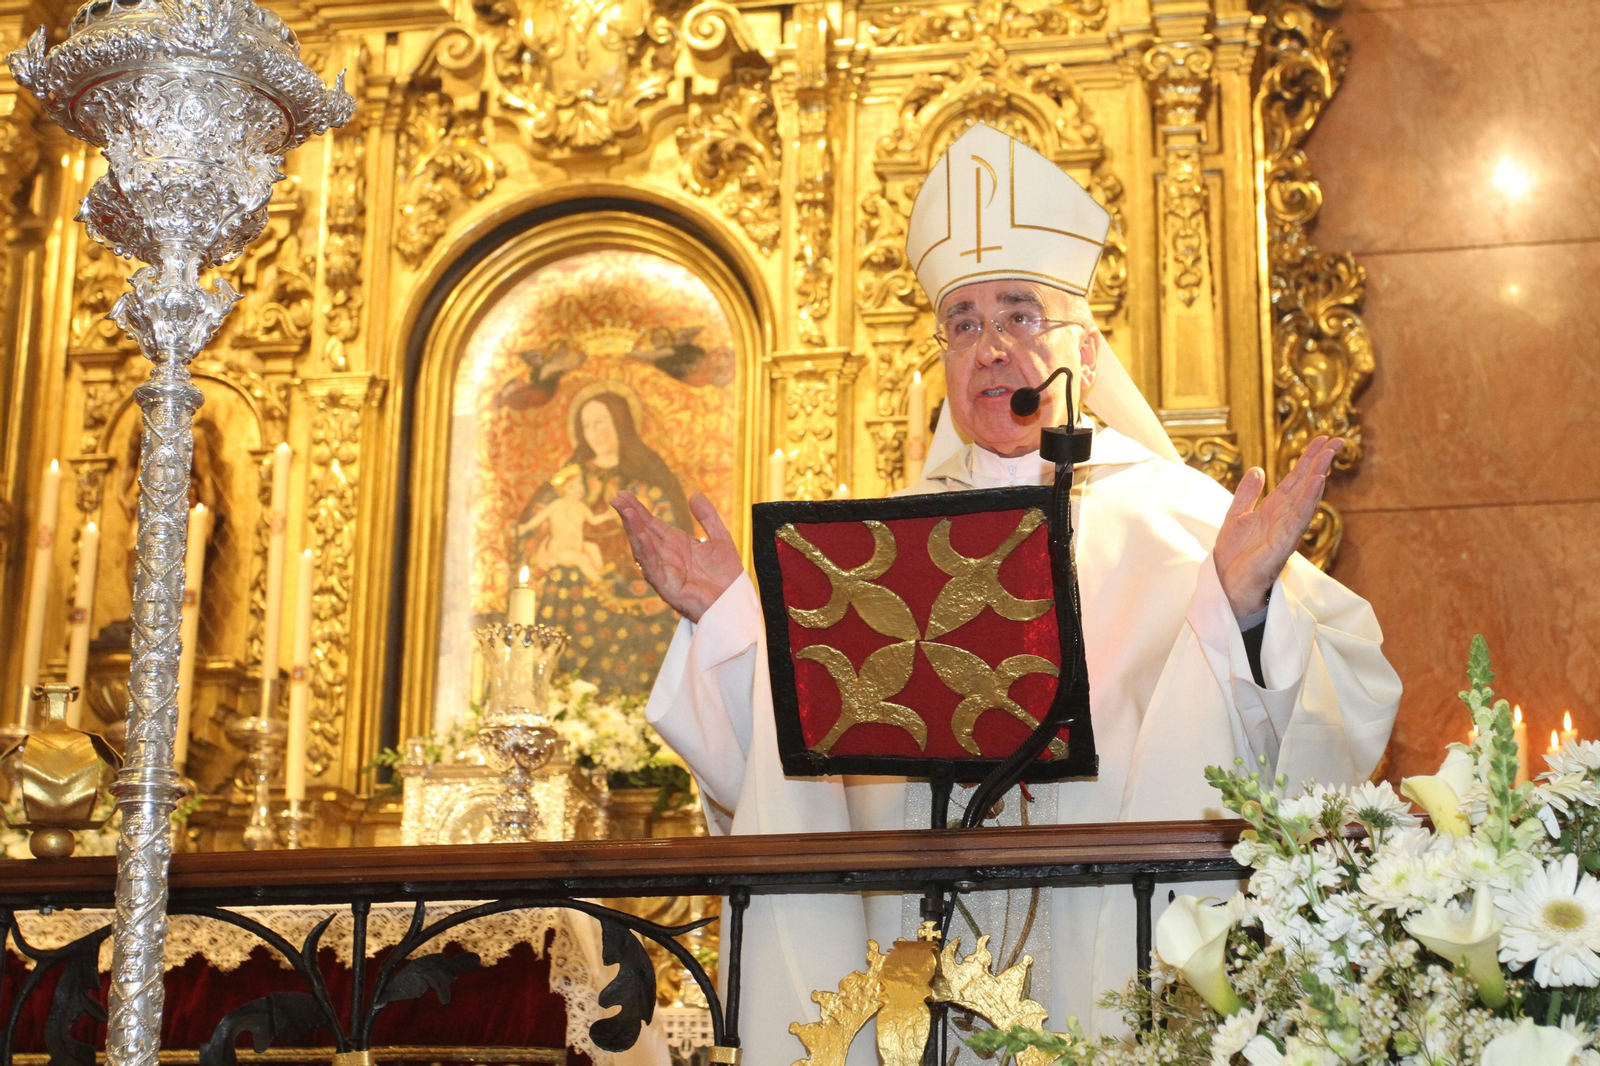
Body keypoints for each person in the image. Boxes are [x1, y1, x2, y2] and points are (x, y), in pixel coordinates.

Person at [611, 123, 1402, 1063]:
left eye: (1021, 314)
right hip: (912, 980)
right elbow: (793, 768)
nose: (991, 348)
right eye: (966, 322)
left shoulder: (1184, 518)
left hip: (1107, 964)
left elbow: (1348, 690)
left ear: (1089, 351)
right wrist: (736, 629)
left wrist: (1238, 609)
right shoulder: (874, 544)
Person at [520, 389, 692, 695]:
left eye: (601, 422)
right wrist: (544, 549)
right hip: (574, 586)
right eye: (587, 425)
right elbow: (538, 526)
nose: (594, 433)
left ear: (620, 423)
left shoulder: (645, 484)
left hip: (631, 580)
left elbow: (670, 535)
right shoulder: (571, 480)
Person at [520, 465, 617, 585]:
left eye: (580, 484)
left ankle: (598, 570)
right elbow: (539, 519)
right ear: (564, 489)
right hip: (559, 550)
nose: (578, 489)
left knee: (593, 548)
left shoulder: (581, 507)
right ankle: (599, 583)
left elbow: (593, 520)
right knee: (581, 559)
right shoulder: (557, 505)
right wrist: (524, 527)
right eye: (572, 486)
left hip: (576, 546)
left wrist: (607, 516)